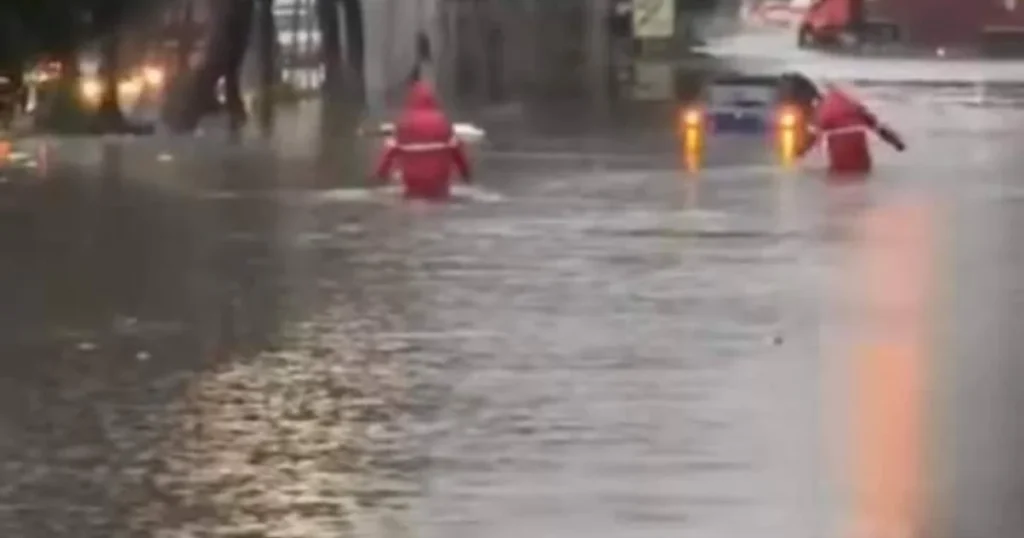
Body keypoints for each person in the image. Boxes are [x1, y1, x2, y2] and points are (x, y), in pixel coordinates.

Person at [373, 81, 471, 200]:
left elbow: (389, 153)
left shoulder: (404, 123)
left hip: (412, 182)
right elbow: (457, 153)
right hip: (439, 183)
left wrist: (380, 175)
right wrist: (466, 174)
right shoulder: (442, 122)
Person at [796, 80, 906, 175]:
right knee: (861, 174)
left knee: (840, 178)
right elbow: (878, 128)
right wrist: (897, 143)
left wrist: (799, 153)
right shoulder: (853, 104)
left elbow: (812, 138)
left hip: (839, 146)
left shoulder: (823, 108)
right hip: (858, 143)